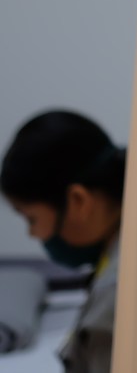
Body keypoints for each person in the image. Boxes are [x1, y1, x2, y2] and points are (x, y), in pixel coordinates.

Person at [1, 111, 126, 373]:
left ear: (78, 201)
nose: (32, 234)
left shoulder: (115, 297)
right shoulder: (122, 248)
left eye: (31, 219)